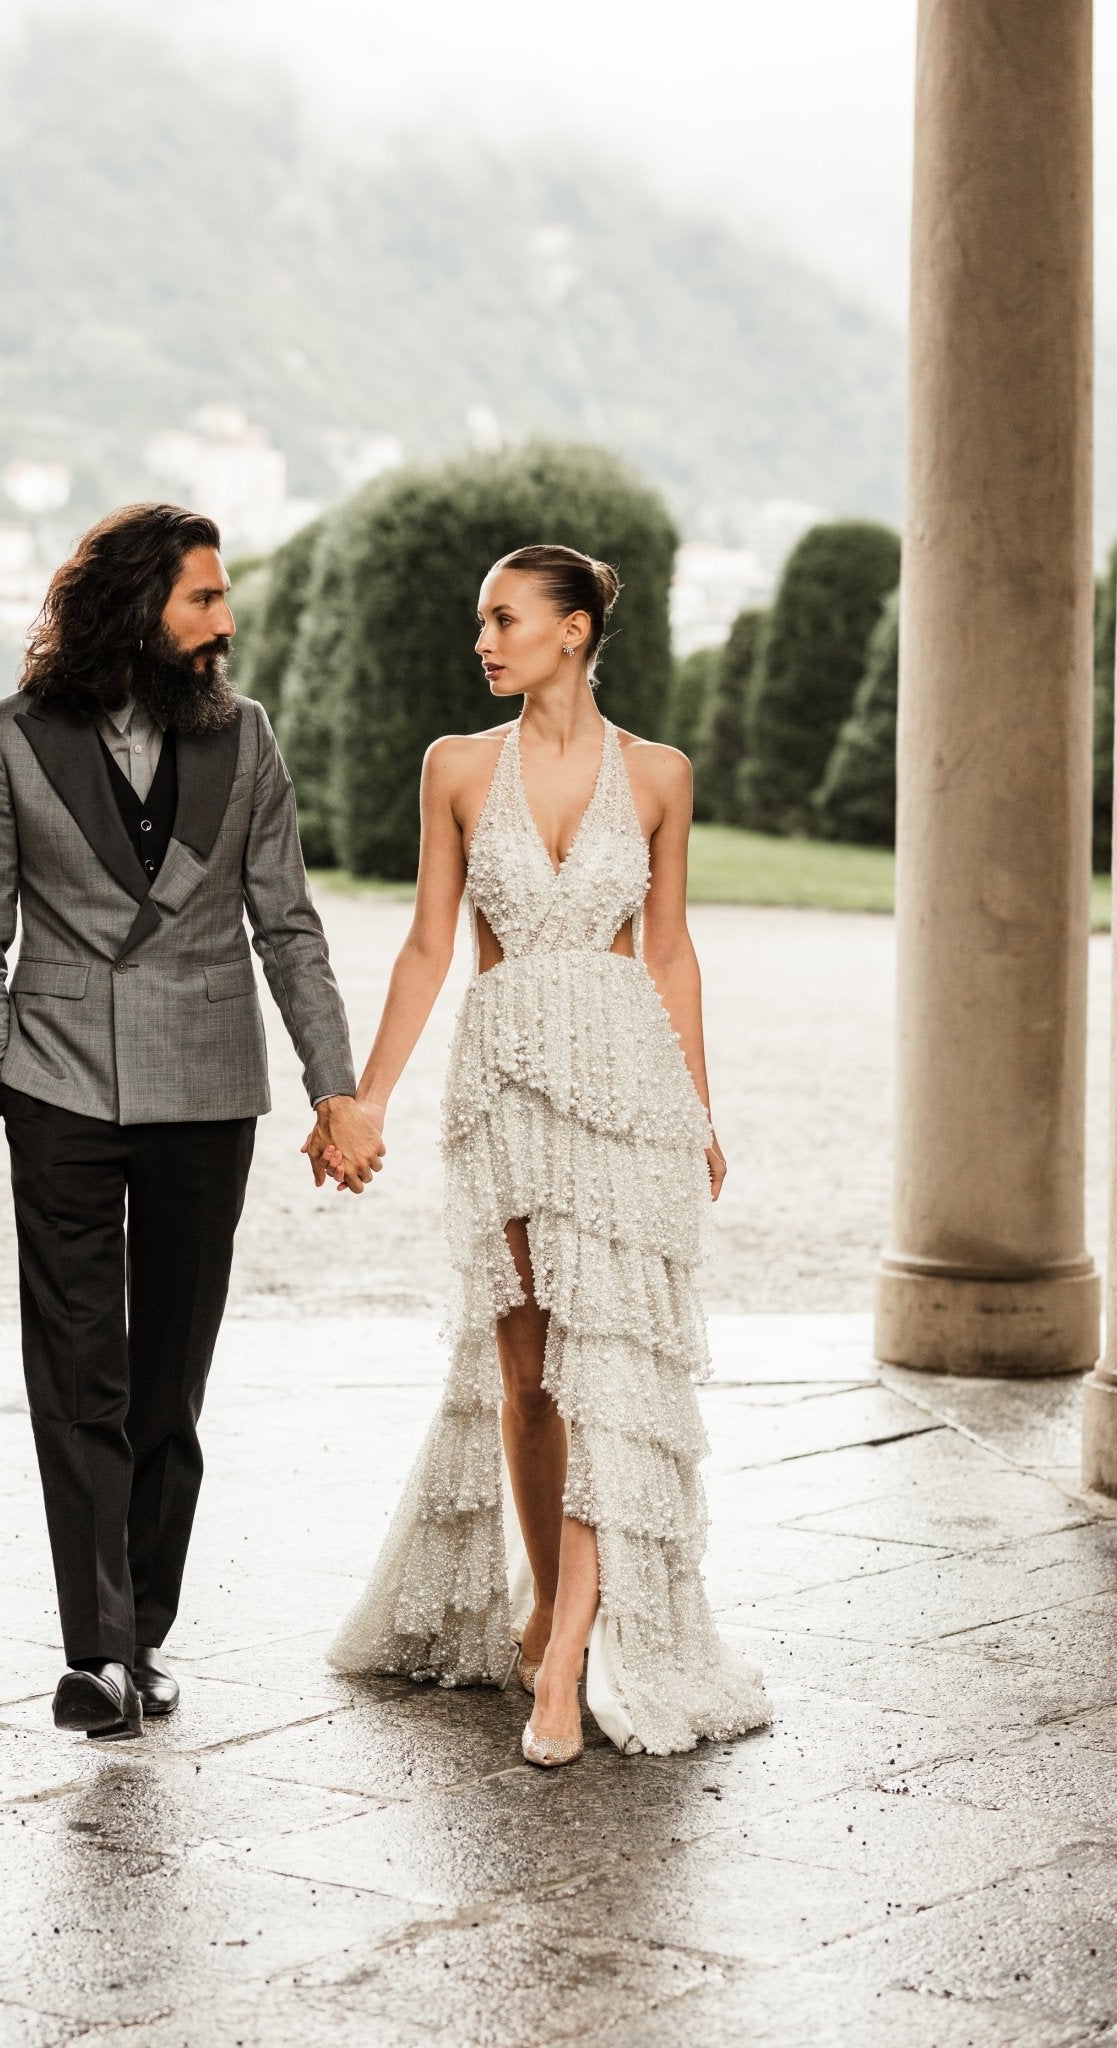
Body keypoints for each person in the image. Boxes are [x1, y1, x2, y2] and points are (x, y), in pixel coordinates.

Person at [321, 543, 770, 1765]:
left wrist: (701, 1109)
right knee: (527, 1367)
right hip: (506, 1078)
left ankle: (568, 1654)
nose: (484, 639)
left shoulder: (662, 776)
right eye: (483, 622)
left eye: (505, 619)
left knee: (607, 1366)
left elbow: (669, 953)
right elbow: (428, 947)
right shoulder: (459, 768)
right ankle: (538, 1608)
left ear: (573, 631)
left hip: (629, 1086)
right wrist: (362, 1097)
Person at [0, 503, 383, 1739]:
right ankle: (98, 1653)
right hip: (63, 1091)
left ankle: (143, 1629)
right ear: (136, 607)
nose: (224, 622)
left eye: (223, 599)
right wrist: (8, 1077)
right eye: (202, 599)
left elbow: (287, 928)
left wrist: (333, 1087)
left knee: (167, 1383)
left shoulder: (245, 739)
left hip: (206, 1091)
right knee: (77, 1373)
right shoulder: (7, 743)